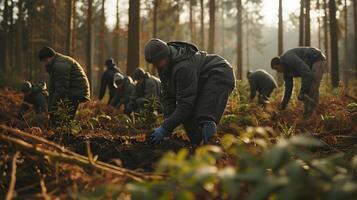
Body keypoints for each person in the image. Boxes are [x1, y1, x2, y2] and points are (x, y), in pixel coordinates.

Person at [144, 38, 236, 145]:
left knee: (205, 115)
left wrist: (164, 128)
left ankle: (211, 150)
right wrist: (167, 128)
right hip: (202, 80)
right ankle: (198, 146)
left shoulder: (183, 67)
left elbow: (185, 105)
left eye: (157, 62)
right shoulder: (164, 68)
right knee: (187, 117)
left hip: (219, 73)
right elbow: (168, 98)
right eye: (153, 63)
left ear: (166, 56)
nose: (155, 66)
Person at [38, 46, 90, 127]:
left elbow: (61, 90)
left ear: (49, 57)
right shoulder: (57, 63)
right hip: (73, 91)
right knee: (62, 120)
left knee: (63, 121)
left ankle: (67, 135)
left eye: (44, 61)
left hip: (75, 92)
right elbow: (54, 89)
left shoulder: (60, 66)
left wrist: (53, 109)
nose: (44, 64)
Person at [271, 47, 327, 118]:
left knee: (312, 89)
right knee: (310, 91)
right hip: (311, 65)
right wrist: (283, 105)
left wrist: (302, 92)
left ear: (280, 63)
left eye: (276, 68)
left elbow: (306, 73)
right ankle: (312, 115)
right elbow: (288, 89)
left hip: (317, 59)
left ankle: (314, 115)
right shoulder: (286, 72)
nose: (278, 71)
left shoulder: (289, 58)